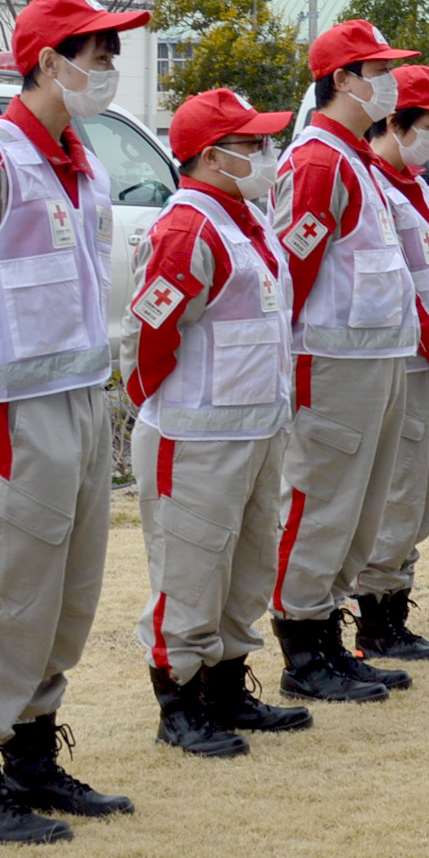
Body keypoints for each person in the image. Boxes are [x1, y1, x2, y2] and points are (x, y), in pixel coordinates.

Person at [0, 0, 149, 841]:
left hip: (77, 396)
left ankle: (32, 753)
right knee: (8, 580)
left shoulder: (78, 155)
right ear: (48, 61)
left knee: (69, 587)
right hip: (10, 405)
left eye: (111, 52)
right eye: (94, 53)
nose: (109, 68)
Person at [125, 88, 316, 756]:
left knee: (245, 568)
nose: (267, 154)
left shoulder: (244, 219)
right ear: (212, 156)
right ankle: (179, 703)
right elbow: (150, 333)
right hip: (198, 434)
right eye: (254, 144)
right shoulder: (188, 228)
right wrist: (154, 401)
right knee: (191, 572)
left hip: (255, 429)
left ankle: (229, 687)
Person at [269, 19, 429, 700]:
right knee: (322, 505)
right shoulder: (318, 161)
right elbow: (293, 270)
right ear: (341, 80)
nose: (389, 82)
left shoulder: (353, 161)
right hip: (332, 363)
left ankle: (333, 640)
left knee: (360, 510)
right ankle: (302, 652)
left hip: (377, 361)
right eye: (376, 70)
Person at [347, 64, 429, 663]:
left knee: (423, 494)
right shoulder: (373, 183)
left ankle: (395, 608)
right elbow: (397, 289)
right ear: (393, 123)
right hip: (407, 362)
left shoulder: (417, 187)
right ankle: (375, 620)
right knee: (397, 494)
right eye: (427, 125)